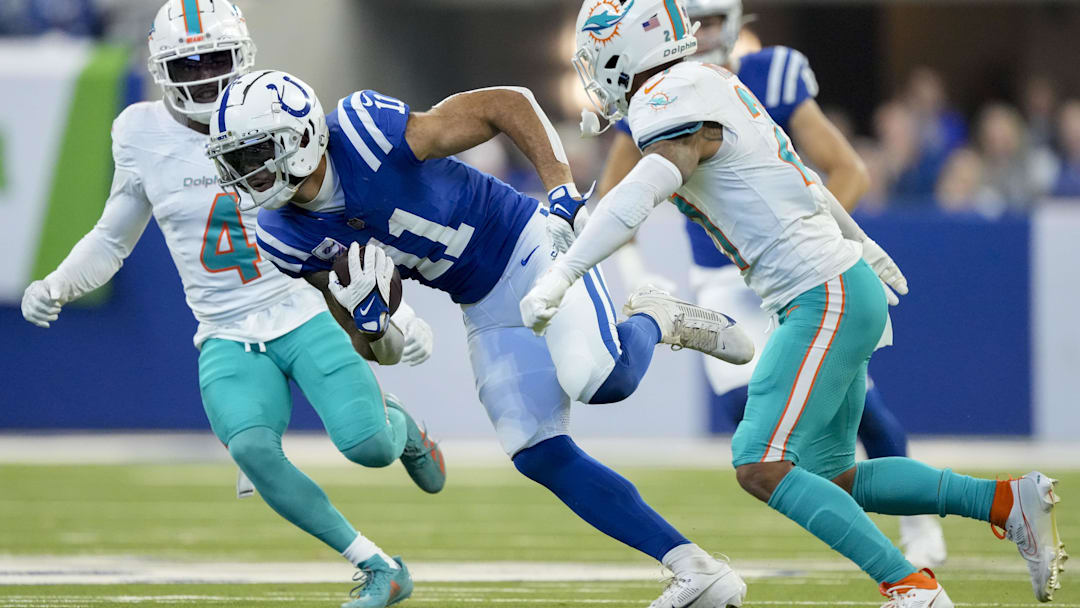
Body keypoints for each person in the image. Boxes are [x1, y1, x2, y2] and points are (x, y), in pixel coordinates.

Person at [521, 0, 1067, 605]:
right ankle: (1005, 502)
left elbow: (640, 196)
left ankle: (911, 585)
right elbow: (803, 179)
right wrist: (861, 243)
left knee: (759, 462)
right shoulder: (710, 82)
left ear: (625, 49)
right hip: (831, 284)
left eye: (597, 56)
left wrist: (563, 273)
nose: (593, 74)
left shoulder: (667, 100)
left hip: (820, 291)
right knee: (834, 474)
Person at [206, 69, 753, 608]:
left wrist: (560, 190)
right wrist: (376, 325)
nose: (248, 172)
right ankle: (696, 569)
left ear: (302, 137)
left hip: (528, 240)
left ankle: (655, 316)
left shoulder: (363, 132)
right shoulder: (282, 235)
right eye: (237, 160)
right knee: (534, 450)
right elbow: (367, 343)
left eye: (256, 154)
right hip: (479, 300)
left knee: (599, 379)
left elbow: (506, 103)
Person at [19, 3, 444, 607]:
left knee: (369, 448)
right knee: (251, 449)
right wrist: (59, 282)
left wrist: (396, 311)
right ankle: (378, 567)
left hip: (303, 304)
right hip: (223, 326)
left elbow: (344, 218)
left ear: (242, 56)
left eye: (214, 59)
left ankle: (401, 429)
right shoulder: (139, 132)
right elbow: (113, 237)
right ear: (160, 69)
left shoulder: (273, 107)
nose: (204, 75)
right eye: (188, 64)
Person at [595, 0, 945, 569]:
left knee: (862, 416)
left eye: (712, 20)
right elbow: (616, 203)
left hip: (798, 276)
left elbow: (848, 170)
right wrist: (637, 276)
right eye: (694, 21)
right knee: (754, 420)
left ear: (734, 22)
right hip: (723, 283)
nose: (702, 32)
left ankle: (918, 524)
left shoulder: (767, 75)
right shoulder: (652, 92)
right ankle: (876, 542)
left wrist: (811, 243)